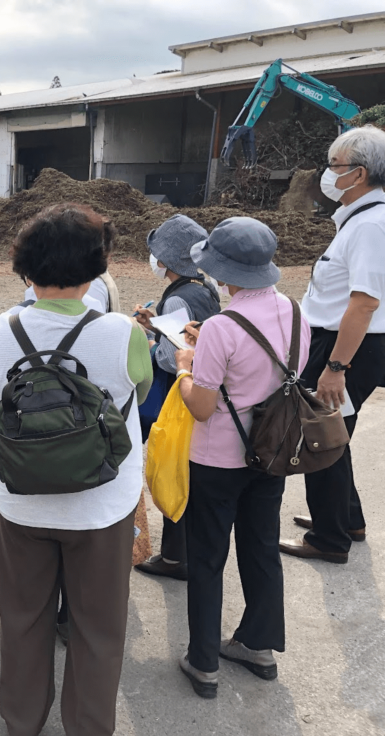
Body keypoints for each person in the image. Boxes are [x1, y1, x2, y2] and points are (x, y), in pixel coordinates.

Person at [0, 204, 151, 736]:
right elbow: (141, 390)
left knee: (23, 619)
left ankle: (21, 735)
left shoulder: (1, 327)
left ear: (25, 268)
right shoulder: (122, 331)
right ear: (96, 268)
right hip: (101, 504)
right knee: (97, 626)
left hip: (21, 499)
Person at [173, 217, 310, 698]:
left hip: (218, 460)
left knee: (208, 557)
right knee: (261, 546)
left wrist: (186, 368)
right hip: (273, 453)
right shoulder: (296, 313)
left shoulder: (220, 327)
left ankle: (204, 660)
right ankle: (258, 644)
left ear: (223, 268)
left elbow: (203, 406)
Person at [282, 126, 385, 564]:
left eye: (334, 166)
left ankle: (329, 538)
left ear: (358, 174)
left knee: (319, 435)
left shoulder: (372, 226)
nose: (327, 174)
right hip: (338, 342)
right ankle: (347, 519)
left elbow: (363, 304)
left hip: (346, 347)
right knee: (334, 433)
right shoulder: (361, 220)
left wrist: (336, 367)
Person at [133, 214, 221, 581]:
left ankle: (175, 557)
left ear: (165, 260)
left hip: (179, 395)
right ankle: (188, 551)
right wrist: (158, 323)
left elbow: (173, 357)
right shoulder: (205, 287)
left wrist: (151, 340)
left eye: (156, 253)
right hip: (205, 389)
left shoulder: (177, 300)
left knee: (173, 471)